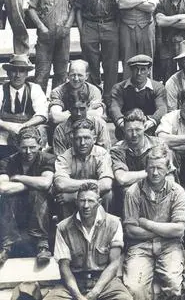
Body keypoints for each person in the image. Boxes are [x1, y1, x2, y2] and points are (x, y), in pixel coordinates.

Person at [122, 143, 185, 300]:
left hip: (170, 246)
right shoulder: (133, 192)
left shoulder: (177, 191)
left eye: (159, 168)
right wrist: (165, 230)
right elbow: (131, 231)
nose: (155, 172)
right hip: (140, 247)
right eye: (151, 168)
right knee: (135, 288)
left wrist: (146, 223)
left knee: (174, 285)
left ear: (168, 169)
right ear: (146, 168)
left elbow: (179, 230)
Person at [45, 182, 131, 300]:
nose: (86, 205)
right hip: (74, 282)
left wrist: (94, 293)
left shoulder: (114, 224)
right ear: (76, 202)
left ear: (99, 202)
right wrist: (78, 296)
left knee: (124, 298)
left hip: (104, 282)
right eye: (82, 201)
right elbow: (64, 267)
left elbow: (114, 264)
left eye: (90, 201)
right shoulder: (63, 228)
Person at [0, 126, 54, 265]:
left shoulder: (47, 159)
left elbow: (45, 183)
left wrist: (19, 177)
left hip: (42, 204)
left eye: (32, 147)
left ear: (40, 144)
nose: (28, 152)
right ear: (17, 146)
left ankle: (42, 245)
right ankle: (7, 246)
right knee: (6, 197)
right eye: (24, 148)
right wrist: (32, 183)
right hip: (16, 203)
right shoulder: (8, 161)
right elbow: (3, 188)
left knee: (38, 192)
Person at [27, 0, 76, 90]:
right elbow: (31, 9)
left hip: (63, 34)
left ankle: (57, 100)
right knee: (42, 72)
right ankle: (40, 101)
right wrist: (41, 27)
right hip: (45, 35)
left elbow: (75, 8)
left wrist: (67, 26)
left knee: (61, 72)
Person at [53, 119, 114, 217]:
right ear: (72, 140)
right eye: (78, 138)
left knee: (108, 195)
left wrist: (74, 196)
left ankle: (104, 224)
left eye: (86, 138)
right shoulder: (65, 157)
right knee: (62, 197)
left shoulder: (102, 154)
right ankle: (68, 226)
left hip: (88, 197)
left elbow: (106, 184)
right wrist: (94, 182)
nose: (82, 143)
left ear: (94, 139)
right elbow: (61, 184)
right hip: (75, 203)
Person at [116, 0, 158, 79]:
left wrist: (130, 2)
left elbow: (151, 7)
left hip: (146, 26)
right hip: (127, 26)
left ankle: (147, 87)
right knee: (128, 59)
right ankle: (128, 88)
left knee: (147, 59)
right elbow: (122, 4)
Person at [110, 109, 171, 191]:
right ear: (124, 130)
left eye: (138, 130)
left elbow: (170, 175)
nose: (134, 134)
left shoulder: (159, 144)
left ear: (145, 127)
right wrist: (155, 172)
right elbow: (122, 178)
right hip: (131, 192)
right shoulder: (117, 150)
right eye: (129, 130)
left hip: (157, 189)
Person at [0, 55, 48, 160]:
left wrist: (23, 126)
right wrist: (9, 127)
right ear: (8, 73)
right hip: (4, 132)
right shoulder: (1, 90)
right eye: (14, 71)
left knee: (40, 132)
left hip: (28, 130)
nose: (17, 75)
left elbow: (42, 114)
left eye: (21, 71)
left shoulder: (35, 89)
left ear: (26, 74)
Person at [108, 55, 168, 133]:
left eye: (143, 69)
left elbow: (162, 108)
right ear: (131, 70)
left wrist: (152, 121)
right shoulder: (119, 88)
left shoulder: (158, 88)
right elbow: (114, 107)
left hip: (149, 128)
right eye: (136, 69)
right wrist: (122, 123)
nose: (139, 73)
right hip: (126, 129)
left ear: (149, 70)